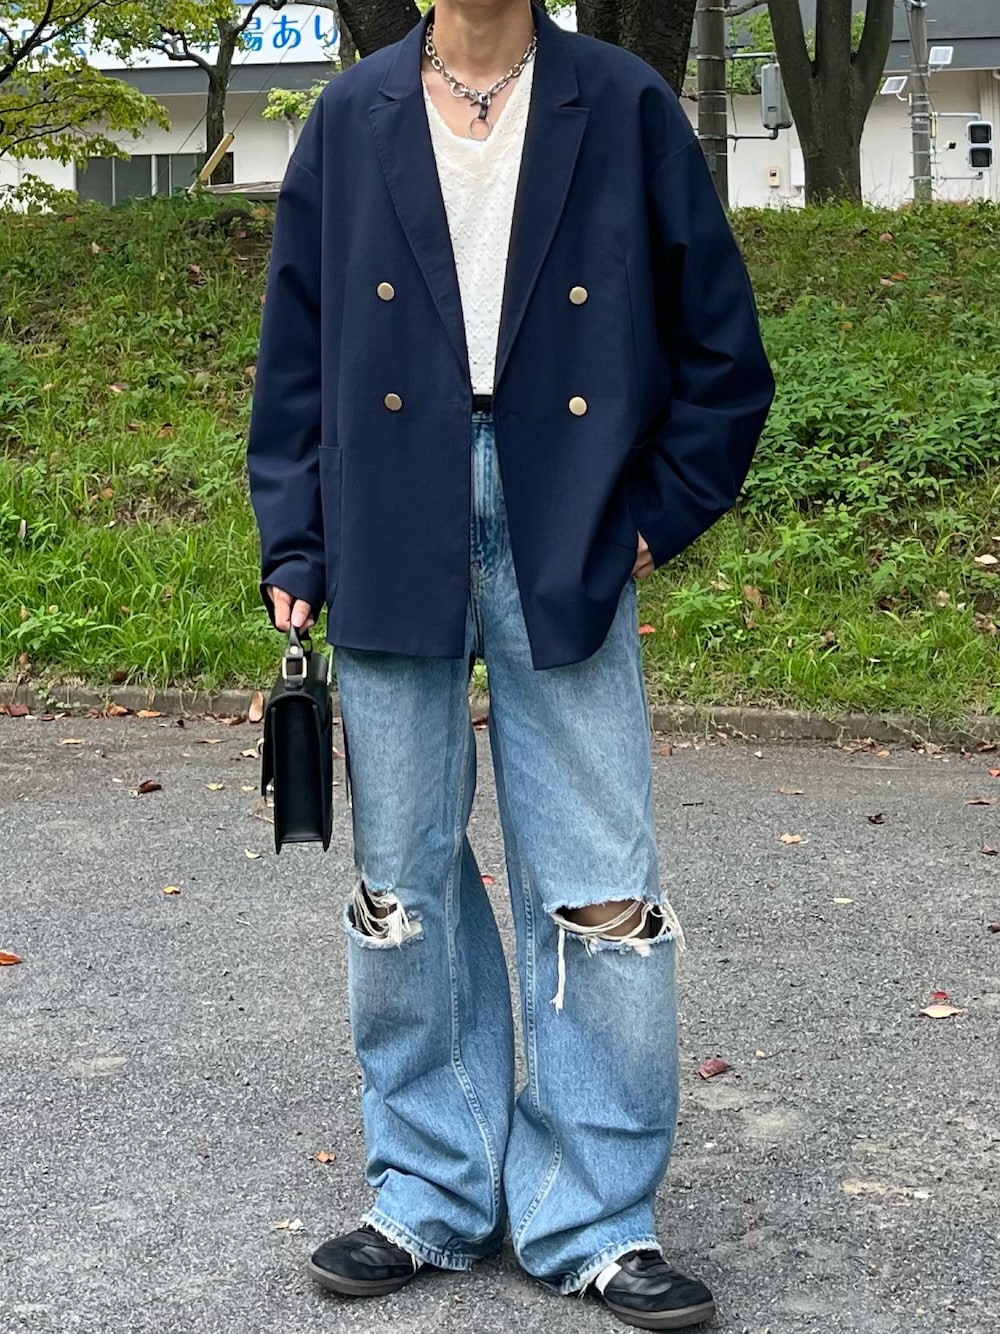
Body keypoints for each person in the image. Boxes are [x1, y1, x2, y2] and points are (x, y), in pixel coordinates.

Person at [246, 0, 774, 1327]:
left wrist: (656, 513)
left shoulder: (624, 102)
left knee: (599, 879)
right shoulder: (349, 118)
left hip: (569, 508)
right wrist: (295, 541)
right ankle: (431, 1188)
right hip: (386, 511)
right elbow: (296, 359)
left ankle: (593, 1214)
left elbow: (724, 349)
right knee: (402, 876)